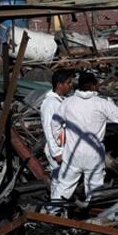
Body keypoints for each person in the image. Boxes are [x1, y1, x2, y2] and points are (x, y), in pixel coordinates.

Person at [53, 72, 118, 206]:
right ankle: (91, 213)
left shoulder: (67, 103)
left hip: (72, 153)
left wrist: (60, 143)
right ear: (93, 86)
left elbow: (55, 124)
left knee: (64, 187)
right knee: (94, 191)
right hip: (93, 154)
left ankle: (52, 212)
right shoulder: (101, 104)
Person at [40, 70, 73, 199]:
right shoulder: (50, 104)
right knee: (62, 183)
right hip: (57, 150)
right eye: (68, 83)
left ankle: (55, 206)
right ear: (59, 85)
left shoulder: (60, 101)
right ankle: (56, 207)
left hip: (63, 147)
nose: (71, 85)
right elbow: (49, 129)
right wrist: (56, 153)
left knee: (58, 181)